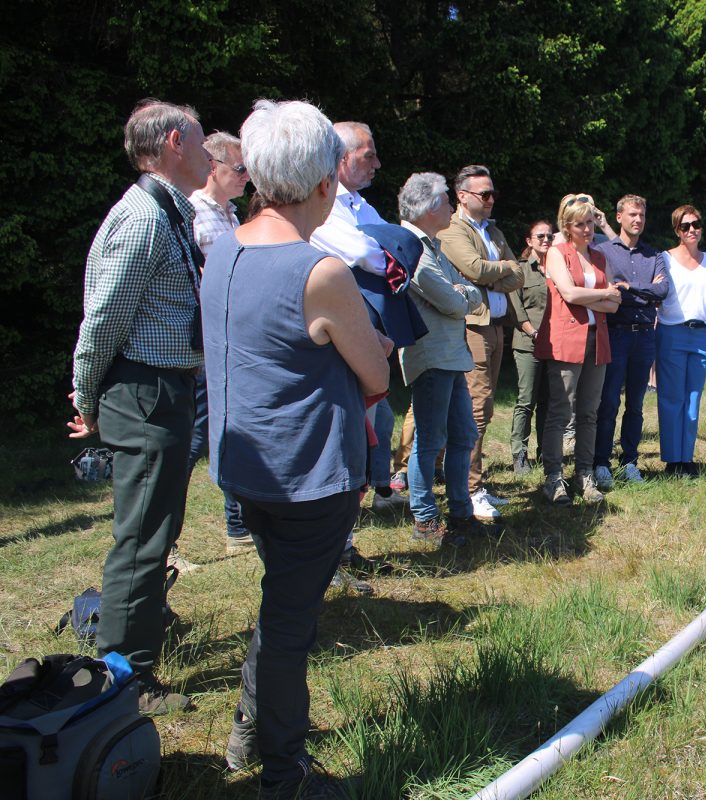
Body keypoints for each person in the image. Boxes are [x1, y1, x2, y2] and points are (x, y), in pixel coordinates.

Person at [203, 99, 392, 799]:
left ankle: (250, 732)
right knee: (289, 623)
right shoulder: (322, 272)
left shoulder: (224, 246)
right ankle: (285, 775)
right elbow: (373, 373)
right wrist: (377, 346)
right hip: (307, 476)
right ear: (323, 185)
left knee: (279, 604)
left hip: (246, 468)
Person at [68, 98, 210, 714]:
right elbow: (101, 318)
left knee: (158, 527)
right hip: (144, 391)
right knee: (142, 536)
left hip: (164, 388)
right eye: (202, 142)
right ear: (174, 143)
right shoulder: (144, 219)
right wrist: (89, 393)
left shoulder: (167, 211)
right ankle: (123, 677)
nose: (210, 154)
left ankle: (137, 633)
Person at [308, 121, 399, 591]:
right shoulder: (324, 210)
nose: (377, 163)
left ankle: (341, 546)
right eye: (368, 154)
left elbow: (386, 253)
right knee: (349, 440)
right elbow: (366, 252)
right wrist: (386, 251)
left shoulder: (360, 205)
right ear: (340, 160)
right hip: (341, 339)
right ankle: (332, 556)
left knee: (373, 431)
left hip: (368, 332)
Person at [395, 172, 496, 543]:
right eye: (446, 201)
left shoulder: (433, 247)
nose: (452, 208)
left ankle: (460, 513)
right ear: (428, 207)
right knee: (429, 440)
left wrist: (462, 294)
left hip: (451, 356)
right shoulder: (414, 249)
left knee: (463, 435)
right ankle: (424, 518)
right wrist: (462, 295)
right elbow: (456, 301)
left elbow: (464, 292)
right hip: (432, 356)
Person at [437, 165, 525, 521]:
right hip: (472, 327)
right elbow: (474, 269)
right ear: (462, 196)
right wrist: (498, 269)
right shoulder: (452, 230)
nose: (491, 200)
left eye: (493, 194)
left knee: (485, 408)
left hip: (494, 326)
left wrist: (498, 271)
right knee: (476, 406)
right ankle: (468, 490)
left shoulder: (493, 230)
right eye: (483, 194)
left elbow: (517, 273)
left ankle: (474, 484)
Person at [187, 131, 252, 558]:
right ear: (214, 167)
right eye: (240, 169)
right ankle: (163, 543)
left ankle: (238, 528)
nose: (248, 177)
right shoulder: (194, 214)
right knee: (193, 439)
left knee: (231, 429)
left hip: (233, 341)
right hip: (205, 347)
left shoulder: (231, 215)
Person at [536, 193, 620, 504]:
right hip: (566, 341)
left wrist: (598, 296)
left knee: (589, 413)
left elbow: (614, 304)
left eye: (590, 222)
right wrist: (601, 293)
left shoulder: (599, 257)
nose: (587, 229)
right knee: (560, 412)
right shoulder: (557, 253)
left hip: (597, 341)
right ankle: (553, 476)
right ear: (567, 226)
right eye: (580, 224)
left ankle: (584, 475)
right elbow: (569, 294)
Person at [592, 195, 668, 488]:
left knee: (636, 403)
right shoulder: (604, 252)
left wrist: (630, 288)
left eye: (642, 215)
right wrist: (638, 291)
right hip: (616, 332)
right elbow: (609, 291)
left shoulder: (654, 255)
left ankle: (630, 462)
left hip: (645, 335)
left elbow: (663, 291)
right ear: (619, 217)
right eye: (633, 214)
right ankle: (601, 463)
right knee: (608, 401)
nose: (638, 220)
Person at [656, 205, 706, 477]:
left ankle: (687, 458)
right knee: (672, 398)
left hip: (702, 335)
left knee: (693, 398)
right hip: (672, 331)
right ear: (677, 231)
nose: (692, 230)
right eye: (685, 226)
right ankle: (673, 460)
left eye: (696, 224)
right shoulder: (665, 258)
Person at [509, 220, 553, 475]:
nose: (546, 240)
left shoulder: (558, 269)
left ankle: (546, 452)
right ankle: (519, 454)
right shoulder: (521, 270)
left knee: (549, 401)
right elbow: (517, 310)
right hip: (528, 343)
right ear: (529, 240)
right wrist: (534, 332)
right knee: (527, 400)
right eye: (540, 236)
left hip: (555, 345)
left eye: (549, 236)